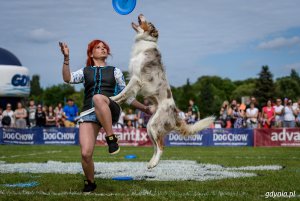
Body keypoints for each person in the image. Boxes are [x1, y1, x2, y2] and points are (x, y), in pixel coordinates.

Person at [59, 40, 151, 192]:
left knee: (98, 98)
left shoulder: (115, 71)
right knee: (85, 153)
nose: (102, 49)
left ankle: (111, 138)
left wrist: (145, 108)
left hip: (111, 107)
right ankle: (90, 182)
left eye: (104, 48)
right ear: (91, 53)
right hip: (88, 113)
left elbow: (127, 96)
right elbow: (67, 78)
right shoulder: (85, 71)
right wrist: (66, 58)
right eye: (98, 47)